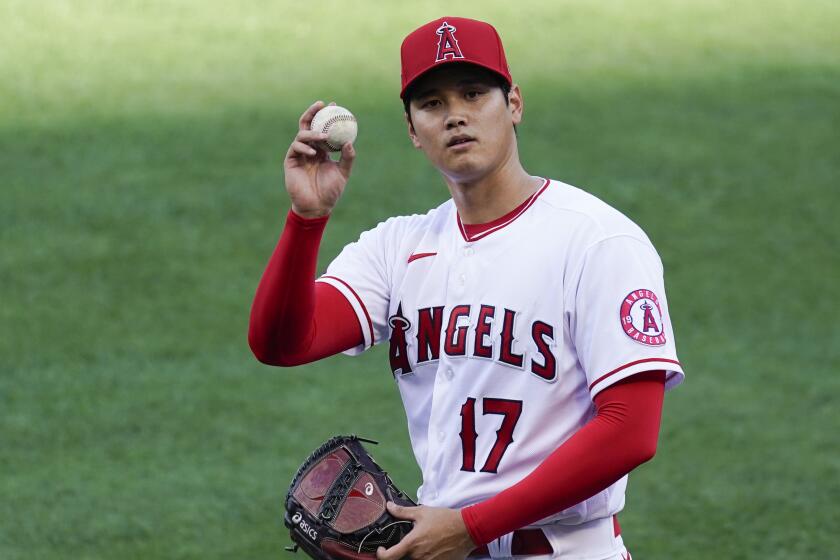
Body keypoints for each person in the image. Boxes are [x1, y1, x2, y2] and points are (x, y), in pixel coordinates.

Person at [249, 16, 684, 560]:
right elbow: (282, 343)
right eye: (432, 104)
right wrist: (306, 219)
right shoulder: (399, 247)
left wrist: (473, 526)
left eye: (475, 94)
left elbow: (631, 430)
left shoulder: (596, 240)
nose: (455, 114)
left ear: (515, 104)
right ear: (412, 130)